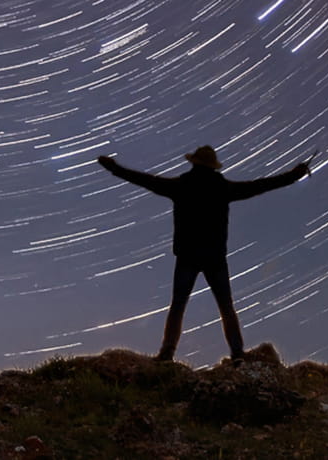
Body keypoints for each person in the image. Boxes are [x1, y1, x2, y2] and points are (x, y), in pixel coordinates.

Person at [98, 146, 312, 363]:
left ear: (194, 163)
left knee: (178, 305)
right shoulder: (223, 188)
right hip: (214, 257)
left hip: (187, 255)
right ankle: (237, 353)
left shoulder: (181, 185)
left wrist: (113, 168)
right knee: (226, 306)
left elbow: (144, 180)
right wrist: (295, 175)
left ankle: (167, 353)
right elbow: (262, 185)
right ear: (212, 166)